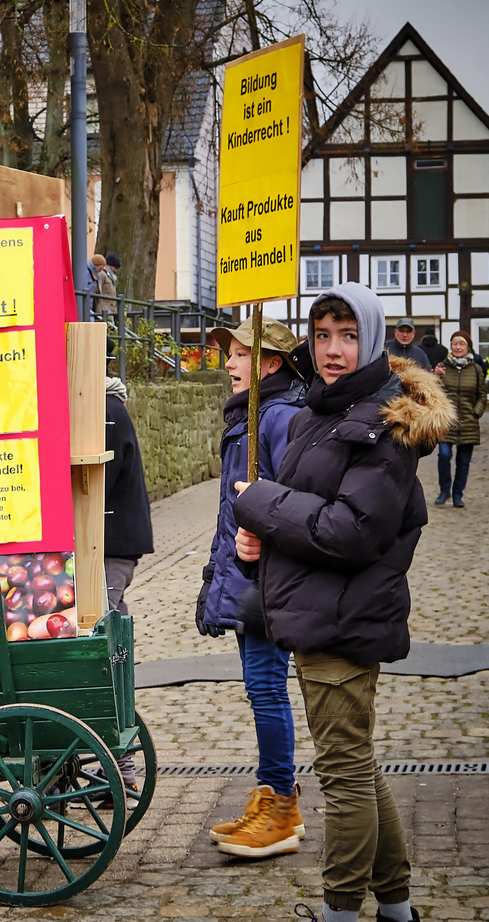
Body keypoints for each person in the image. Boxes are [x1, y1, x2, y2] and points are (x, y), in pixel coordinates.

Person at [232, 282, 452, 922]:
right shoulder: (320, 416)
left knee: (345, 774)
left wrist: (262, 503)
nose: (332, 349)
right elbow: (307, 517)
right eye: (323, 333)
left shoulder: (384, 426)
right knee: (359, 763)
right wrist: (259, 535)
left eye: (347, 335)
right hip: (320, 608)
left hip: (344, 618)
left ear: (376, 338)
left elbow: (352, 531)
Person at [197, 316, 307, 858]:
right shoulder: (250, 415)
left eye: (240, 355)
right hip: (247, 574)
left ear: (270, 365)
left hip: (269, 576)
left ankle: (282, 808)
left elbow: (289, 499)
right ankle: (272, 795)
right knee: (260, 686)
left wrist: (264, 540)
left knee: (266, 686)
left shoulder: (279, 416)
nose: (229, 363)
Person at [103, 375, 152, 617]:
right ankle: (124, 656)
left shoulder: (105, 410)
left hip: (110, 542)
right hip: (114, 541)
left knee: (105, 619)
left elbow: (101, 482)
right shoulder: (109, 405)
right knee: (114, 618)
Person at [432, 330, 488, 508]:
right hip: (446, 422)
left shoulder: (476, 369)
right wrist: (435, 376)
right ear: (451, 346)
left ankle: (457, 495)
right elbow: (433, 392)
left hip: (468, 422)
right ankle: (444, 491)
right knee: (444, 455)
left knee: (463, 462)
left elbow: (482, 395)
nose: (457, 347)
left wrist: (475, 412)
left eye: (461, 344)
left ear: (468, 347)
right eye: (455, 343)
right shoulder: (442, 366)